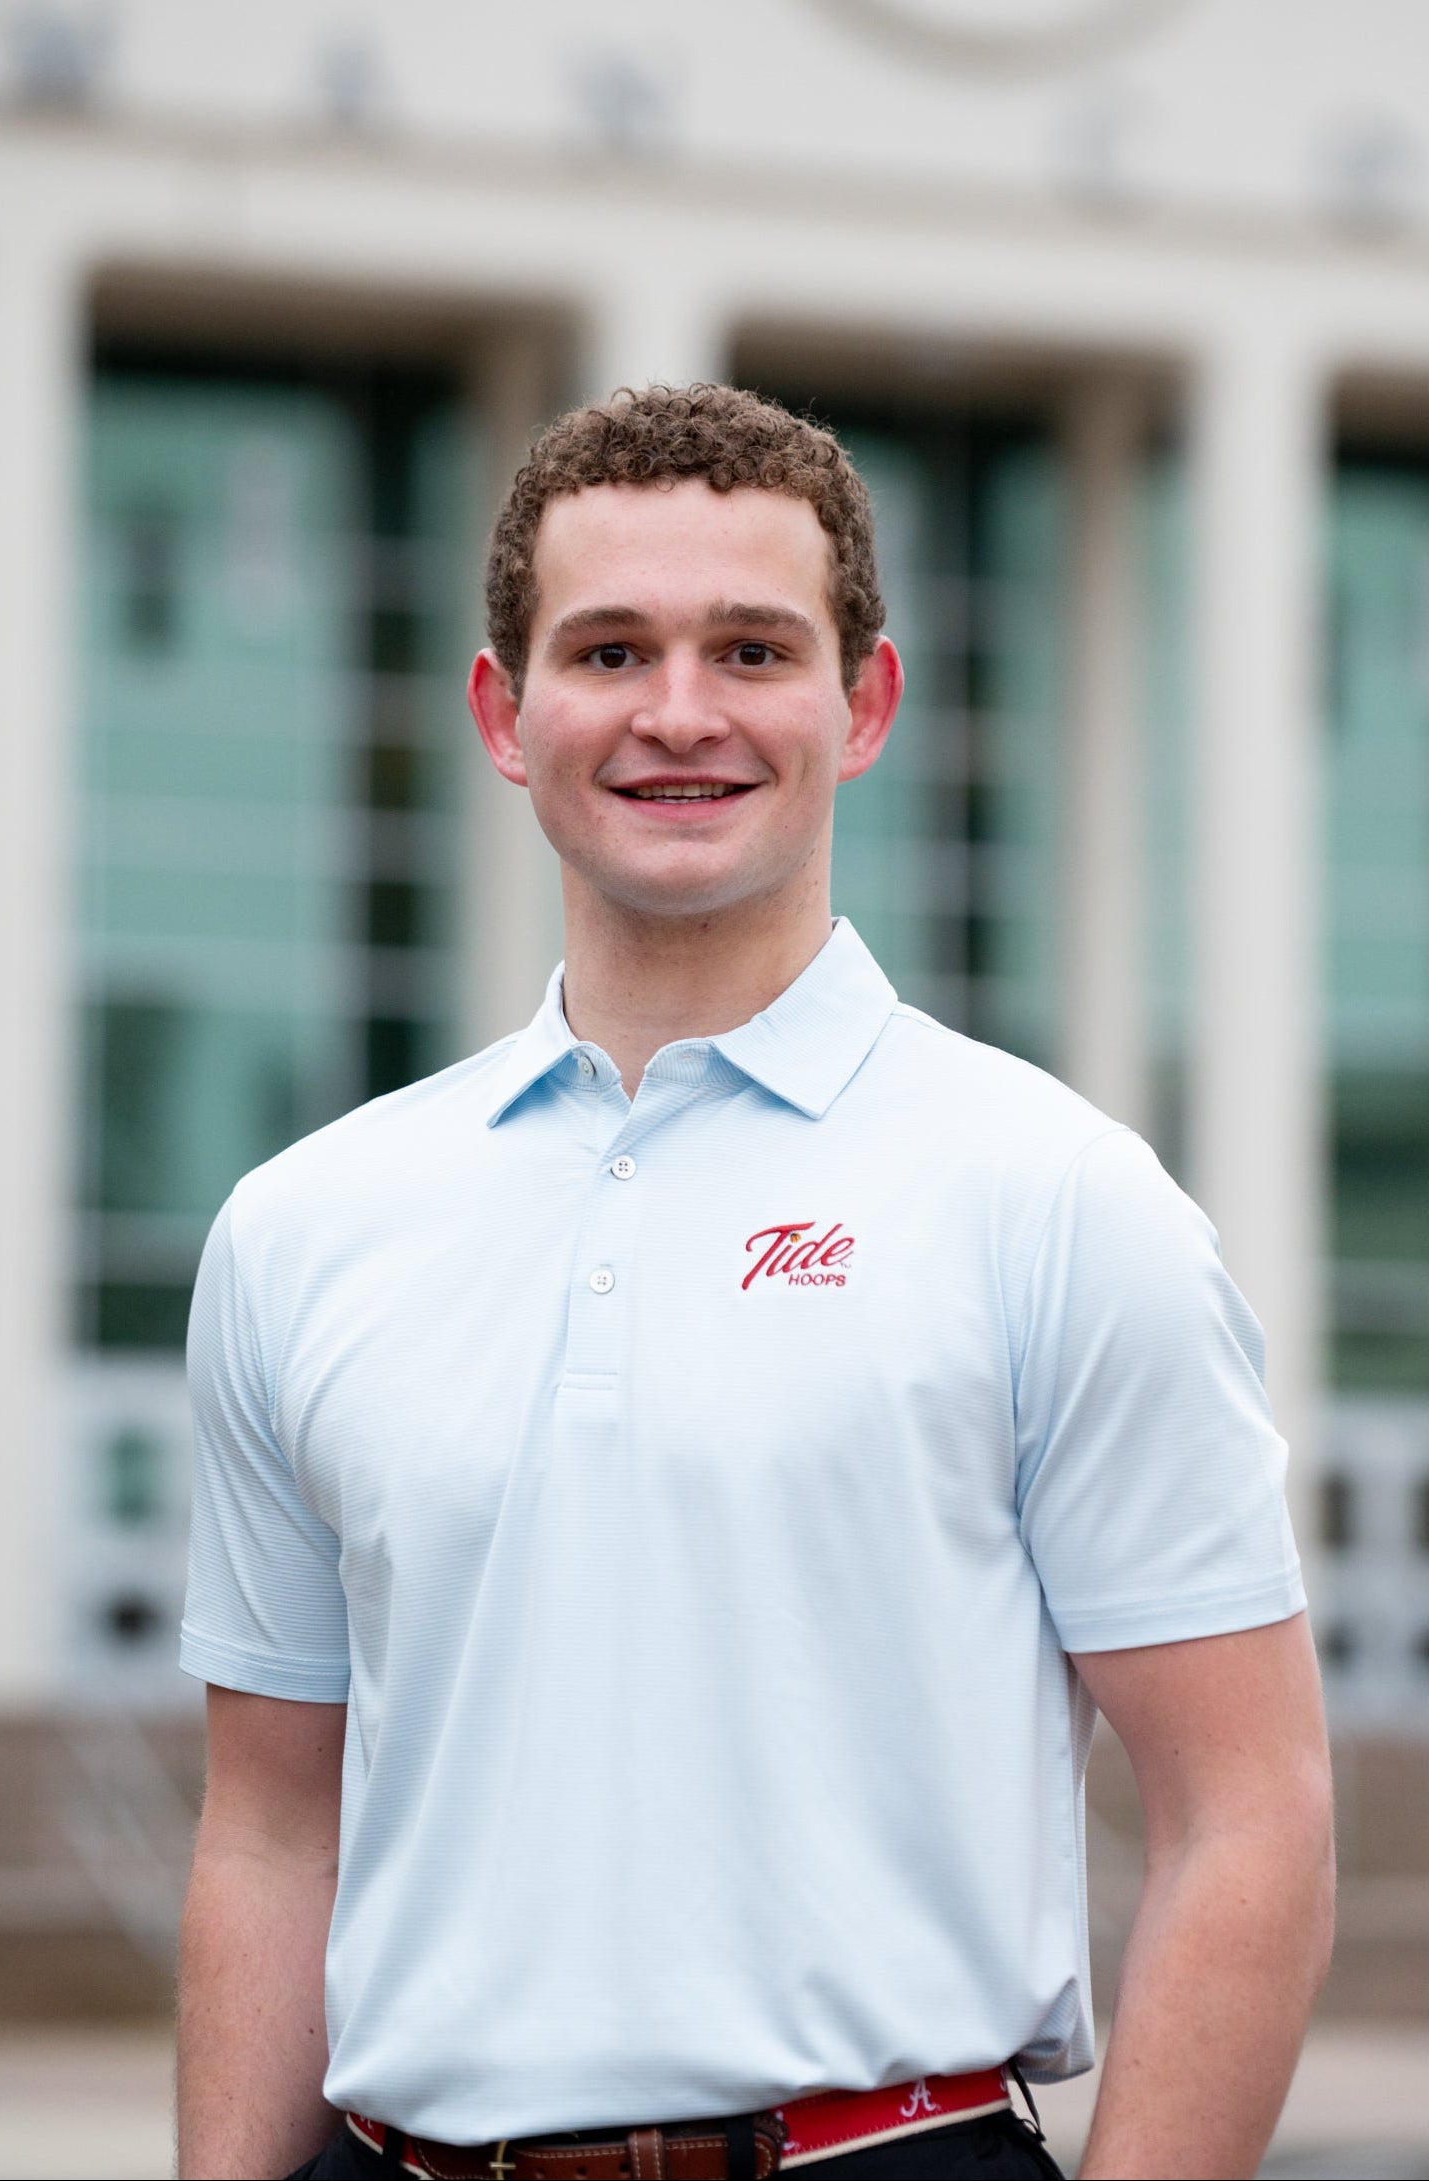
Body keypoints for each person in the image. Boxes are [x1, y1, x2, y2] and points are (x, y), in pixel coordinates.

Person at [177, 384, 1335, 2181]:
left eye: (753, 647)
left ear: (864, 704)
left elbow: (1249, 1824)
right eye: (611, 648)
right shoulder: (306, 1222)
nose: (680, 712)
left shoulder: (1052, 1199)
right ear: (506, 712)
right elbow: (267, 1834)